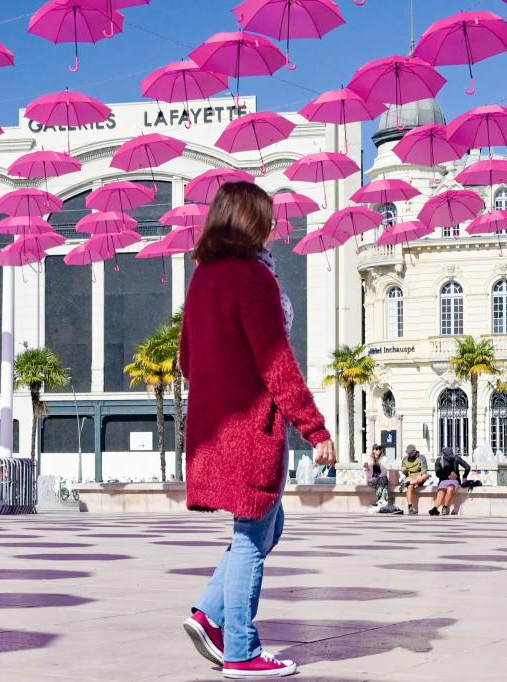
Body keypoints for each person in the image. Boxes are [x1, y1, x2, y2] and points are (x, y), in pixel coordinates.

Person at [177, 181, 334, 679]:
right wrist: (315, 429)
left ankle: (208, 612)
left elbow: (185, 360)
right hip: (250, 430)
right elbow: (277, 365)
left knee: (269, 524)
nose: (271, 228)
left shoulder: (201, 278)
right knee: (251, 535)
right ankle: (242, 650)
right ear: (251, 222)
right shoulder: (253, 279)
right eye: (266, 219)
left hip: (212, 428)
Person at [429, 447, 472, 516]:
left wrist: (464, 477)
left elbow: (467, 467)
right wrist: (448, 476)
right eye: (448, 456)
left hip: (454, 480)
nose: (450, 457)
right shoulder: (439, 460)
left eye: (451, 455)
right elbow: (437, 473)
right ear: (444, 455)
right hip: (443, 480)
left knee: (450, 489)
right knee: (441, 492)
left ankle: (445, 508)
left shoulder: (456, 458)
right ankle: (435, 509)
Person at [363, 445, 399, 514]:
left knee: (384, 479)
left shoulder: (384, 458)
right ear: (373, 450)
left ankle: (381, 501)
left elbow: (384, 472)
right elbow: (367, 471)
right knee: (384, 483)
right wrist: (372, 478)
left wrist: (377, 478)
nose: (378, 450)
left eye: (380, 449)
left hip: (380, 479)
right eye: (376, 449)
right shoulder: (368, 459)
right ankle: (382, 501)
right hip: (372, 480)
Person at [399, 445, 430, 515]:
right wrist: (404, 470)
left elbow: (424, 471)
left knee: (425, 476)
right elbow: (405, 473)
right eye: (408, 453)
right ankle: (410, 506)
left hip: (419, 476)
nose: (409, 454)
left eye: (410, 453)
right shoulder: (405, 459)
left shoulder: (421, 457)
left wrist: (419, 475)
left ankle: (406, 483)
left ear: (414, 452)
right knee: (410, 487)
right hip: (410, 476)